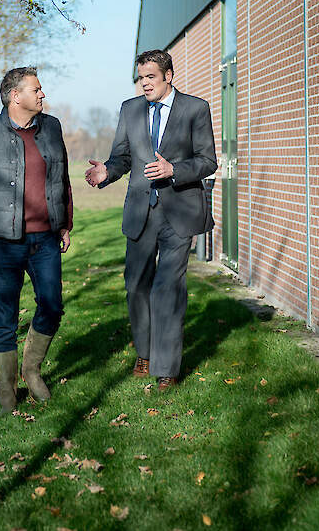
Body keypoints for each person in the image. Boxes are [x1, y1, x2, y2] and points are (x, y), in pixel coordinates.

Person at [85, 49, 217, 392]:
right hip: (140, 212)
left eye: (150, 77)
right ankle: (144, 352)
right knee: (135, 287)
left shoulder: (195, 109)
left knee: (167, 289)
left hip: (180, 211)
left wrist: (175, 170)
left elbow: (208, 161)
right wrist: (106, 172)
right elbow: (122, 157)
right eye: (140, 78)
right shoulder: (130, 109)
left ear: (168, 75)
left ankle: (166, 368)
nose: (144, 84)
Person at [0, 67, 73, 413]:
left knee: (52, 306)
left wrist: (66, 222)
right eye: (36, 90)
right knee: (4, 318)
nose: (42, 95)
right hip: (4, 244)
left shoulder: (51, 127)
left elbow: (62, 177)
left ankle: (31, 370)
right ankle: (7, 393)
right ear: (14, 96)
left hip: (45, 240)